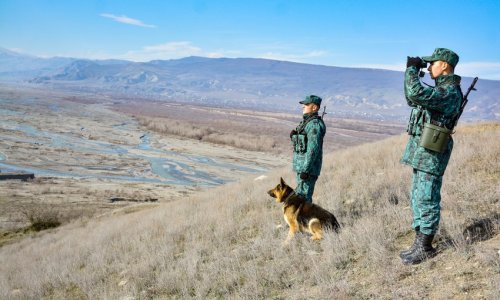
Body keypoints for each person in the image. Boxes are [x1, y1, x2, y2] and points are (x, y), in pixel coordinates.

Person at [400, 48, 463, 264]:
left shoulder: (450, 92)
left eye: (432, 63)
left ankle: (426, 246)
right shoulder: (439, 91)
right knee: (417, 195)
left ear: (444, 65)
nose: (428, 67)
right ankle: (419, 242)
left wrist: (410, 70)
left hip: (432, 152)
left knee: (427, 196)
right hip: (422, 151)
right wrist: (411, 74)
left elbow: (416, 93)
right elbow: (412, 97)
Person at [290, 95, 326, 203]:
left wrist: (305, 170)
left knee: (304, 199)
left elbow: (313, 149)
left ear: (314, 107)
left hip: (307, 170)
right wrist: (294, 136)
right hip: (302, 168)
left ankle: (306, 220)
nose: (303, 107)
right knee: (300, 198)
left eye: (306, 105)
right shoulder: (307, 123)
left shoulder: (314, 125)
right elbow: (303, 143)